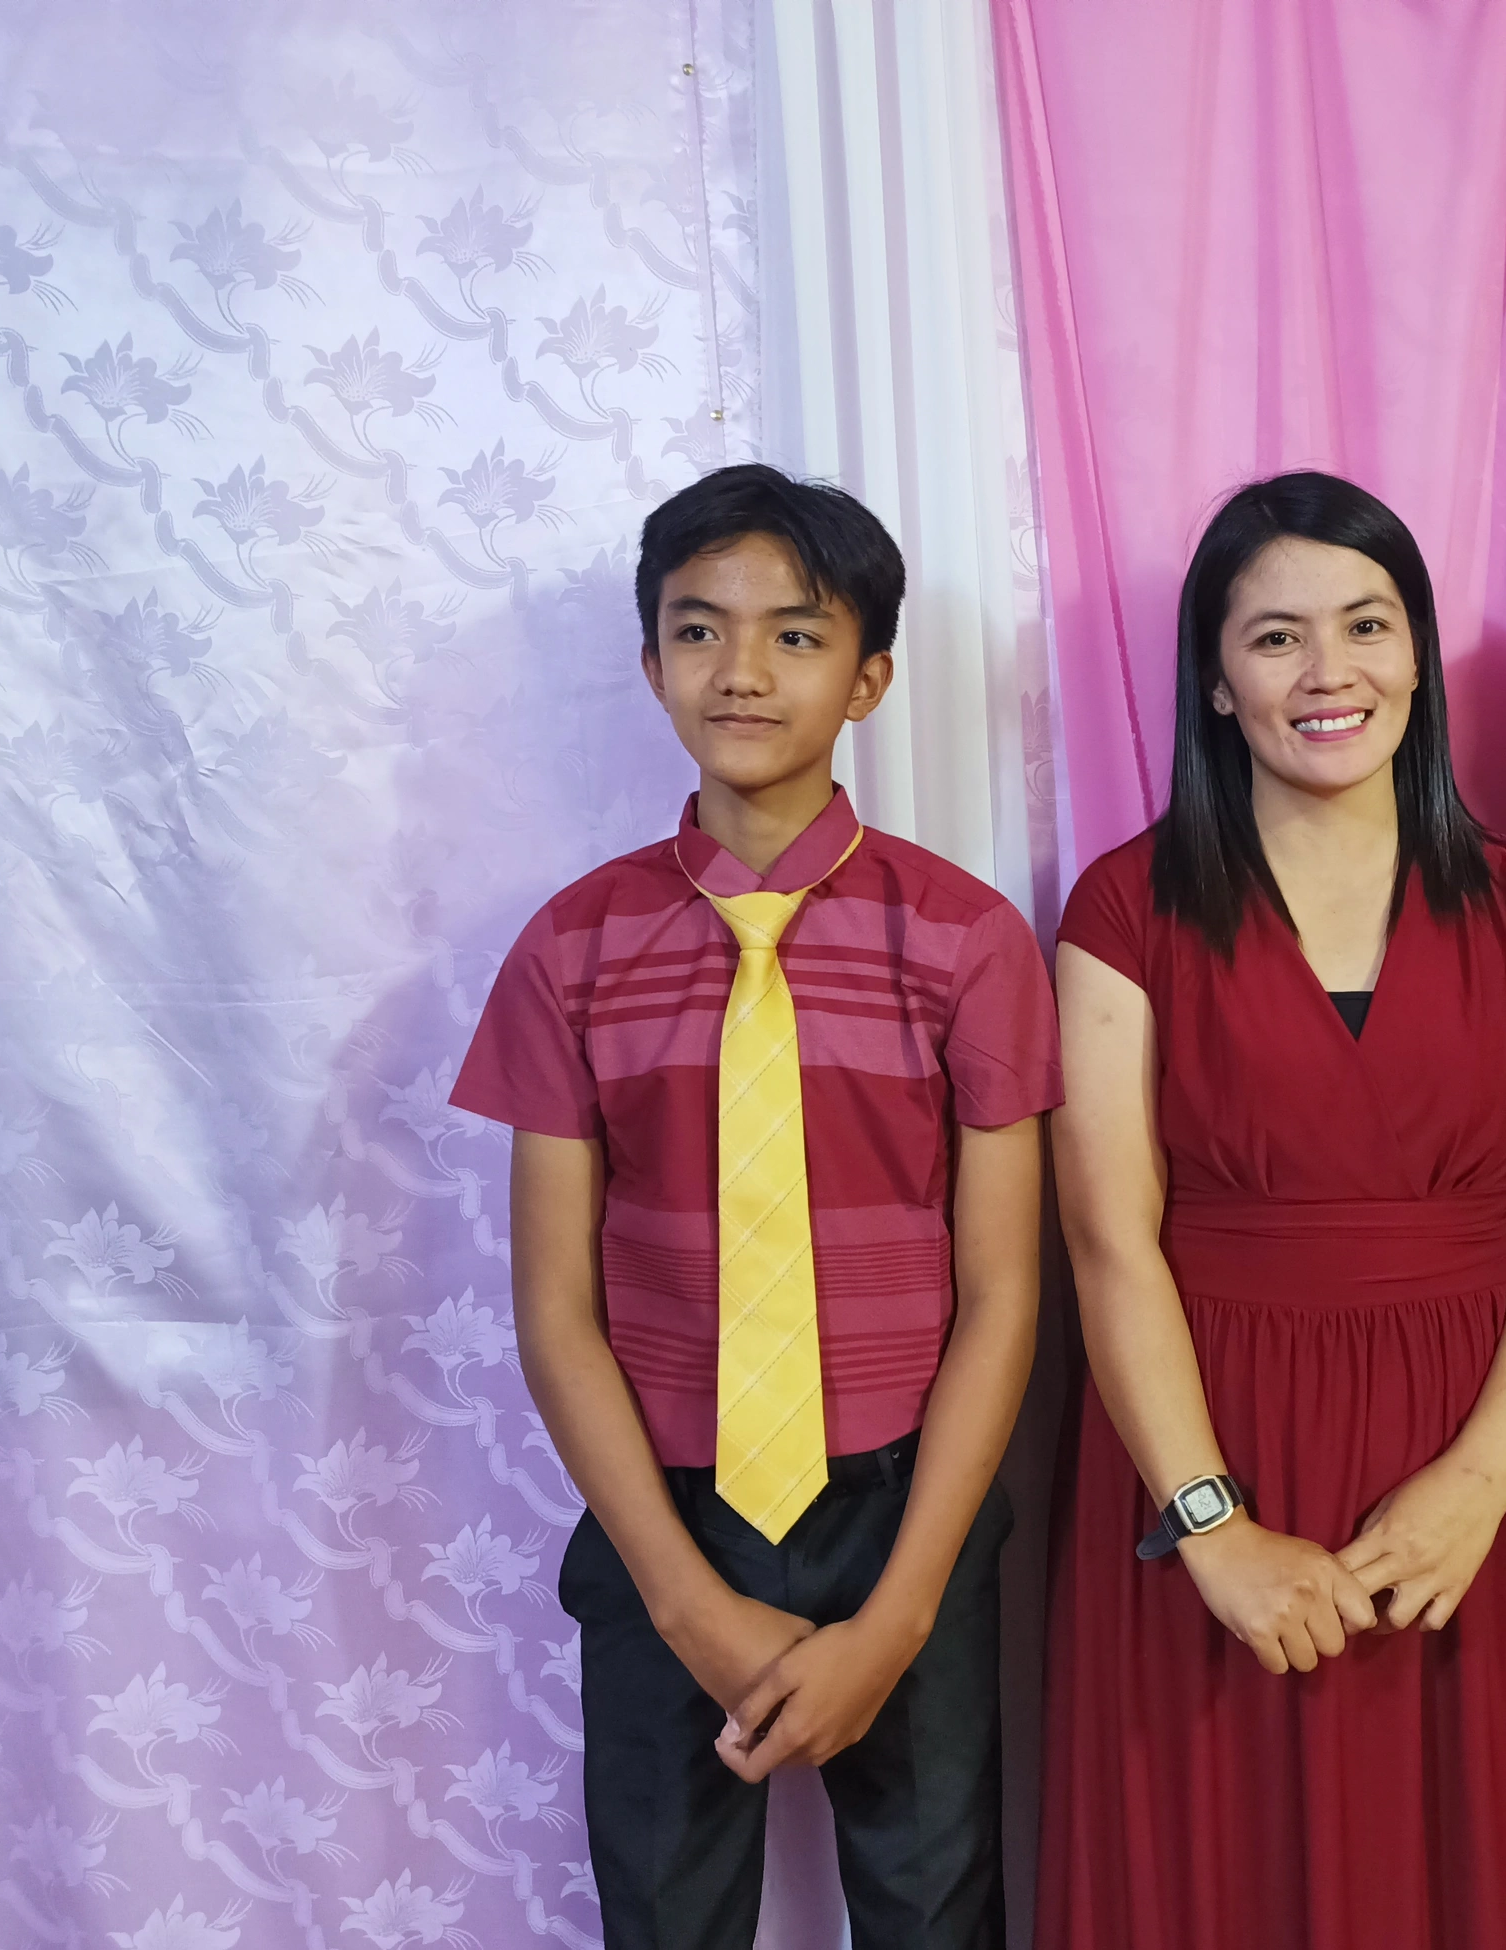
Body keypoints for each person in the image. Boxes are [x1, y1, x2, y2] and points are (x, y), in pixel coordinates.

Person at [450, 464, 1060, 1950]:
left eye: (797, 633)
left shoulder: (969, 942)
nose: (742, 669)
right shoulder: (572, 948)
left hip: (906, 1505)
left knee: (936, 1910)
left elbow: (1003, 1294)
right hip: (664, 1507)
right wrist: (683, 1603)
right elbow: (555, 1308)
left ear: (870, 677)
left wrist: (902, 1612)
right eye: (699, 628)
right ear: (650, 661)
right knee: (665, 1914)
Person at [1036, 471, 1506, 1950]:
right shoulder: (1123, 908)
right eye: (1275, 637)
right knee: (1216, 1867)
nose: (1326, 671)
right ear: (1216, 683)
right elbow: (1108, 1238)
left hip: (1469, 1457)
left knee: (1468, 1866)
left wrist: (1484, 1482)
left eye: (1366, 624)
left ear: (1417, 656)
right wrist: (1212, 1526)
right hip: (1207, 1442)